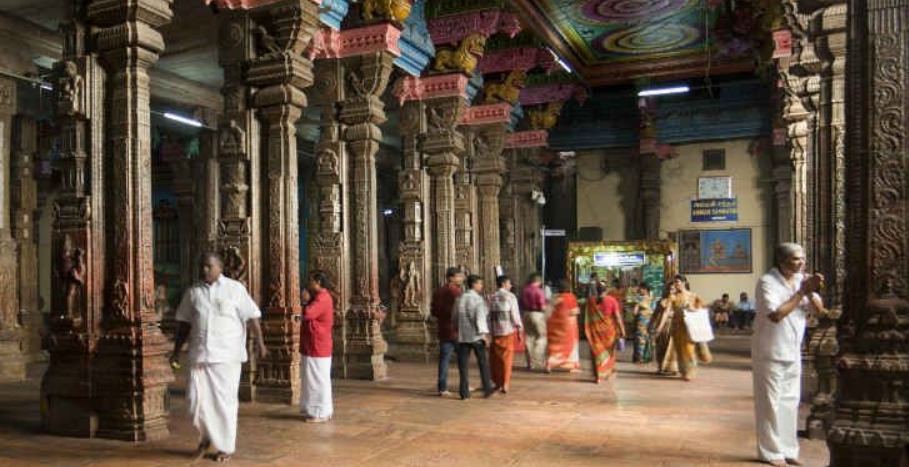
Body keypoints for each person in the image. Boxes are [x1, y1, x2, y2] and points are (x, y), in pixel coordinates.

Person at [171, 252, 267, 464]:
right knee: (196, 402)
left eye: (208, 266)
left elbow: (252, 316)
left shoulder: (235, 289)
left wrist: (260, 343)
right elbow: (184, 324)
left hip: (227, 356)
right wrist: (176, 350)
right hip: (199, 355)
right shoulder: (193, 293)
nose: (203, 270)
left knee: (224, 403)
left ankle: (224, 446)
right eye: (201, 266)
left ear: (219, 268)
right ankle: (206, 438)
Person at [753, 243, 826, 467]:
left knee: (790, 402)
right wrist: (802, 292)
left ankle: (788, 448)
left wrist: (813, 291)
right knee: (770, 404)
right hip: (771, 350)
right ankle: (770, 451)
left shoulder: (799, 281)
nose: (801, 263)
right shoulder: (767, 282)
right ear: (781, 260)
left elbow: (820, 312)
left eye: (803, 258)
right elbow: (776, 314)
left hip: (793, 350)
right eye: (795, 259)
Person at [299, 270, 334, 423]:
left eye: (311, 280)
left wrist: (305, 301)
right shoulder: (321, 297)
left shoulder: (322, 298)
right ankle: (316, 409)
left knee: (317, 379)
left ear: (318, 282)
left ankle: (320, 412)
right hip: (315, 344)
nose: (309, 283)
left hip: (317, 344)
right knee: (314, 378)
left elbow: (308, 314)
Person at [452, 275, 494, 399]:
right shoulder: (477, 299)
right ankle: (487, 388)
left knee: (463, 366)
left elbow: (454, 317)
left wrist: (457, 329)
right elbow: (479, 318)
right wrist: (484, 335)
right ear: (474, 284)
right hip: (476, 336)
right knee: (483, 363)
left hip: (463, 336)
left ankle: (464, 392)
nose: (481, 286)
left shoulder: (459, 298)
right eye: (480, 284)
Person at [667, 275, 712, 381]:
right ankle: (684, 371)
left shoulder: (693, 296)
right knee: (680, 350)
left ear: (684, 282)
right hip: (677, 327)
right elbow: (668, 310)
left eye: (677, 282)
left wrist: (691, 308)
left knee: (688, 348)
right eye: (674, 282)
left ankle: (691, 371)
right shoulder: (673, 296)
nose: (675, 284)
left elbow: (701, 309)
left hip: (689, 327)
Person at [430, 267, 464, 397]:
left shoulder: (438, 291)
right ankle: (463, 385)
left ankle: (442, 388)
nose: (460, 279)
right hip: (455, 330)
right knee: (462, 358)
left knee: (444, 359)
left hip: (443, 328)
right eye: (458, 276)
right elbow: (459, 312)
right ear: (451, 278)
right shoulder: (455, 292)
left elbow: (434, 311)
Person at [489, 275, 522, 394]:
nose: (511, 285)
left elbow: (488, 315)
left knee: (495, 359)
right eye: (509, 283)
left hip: (494, 331)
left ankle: (497, 382)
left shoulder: (491, 296)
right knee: (506, 358)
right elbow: (515, 314)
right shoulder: (510, 296)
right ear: (503, 284)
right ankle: (505, 383)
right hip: (506, 330)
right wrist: (519, 328)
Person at [585, 284, 625, 382]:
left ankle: (598, 375)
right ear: (606, 290)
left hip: (595, 331)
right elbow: (618, 317)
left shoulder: (590, 301)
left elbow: (587, 316)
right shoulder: (612, 300)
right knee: (609, 353)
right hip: (609, 332)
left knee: (597, 352)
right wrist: (622, 330)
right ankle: (605, 373)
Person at [545, 280, 580, 372]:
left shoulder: (554, 297)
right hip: (568, 326)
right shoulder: (571, 297)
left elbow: (548, 310)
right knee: (570, 345)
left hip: (555, 326)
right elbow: (574, 311)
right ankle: (571, 366)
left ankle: (549, 364)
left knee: (554, 345)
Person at [520, 273, 548, 371]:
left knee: (528, 338)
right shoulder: (539, 291)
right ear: (539, 281)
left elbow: (521, 303)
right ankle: (538, 358)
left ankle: (530, 363)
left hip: (526, 314)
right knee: (542, 336)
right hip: (537, 314)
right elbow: (542, 306)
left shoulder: (524, 290)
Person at [650, 282, 678, 375]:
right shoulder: (662, 301)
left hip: (672, 325)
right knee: (661, 346)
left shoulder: (677, 300)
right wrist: (650, 324)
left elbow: (667, 313)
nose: (670, 291)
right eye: (669, 289)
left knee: (671, 347)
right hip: (662, 325)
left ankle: (672, 368)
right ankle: (661, 366)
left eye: (673, 289)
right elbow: (655, 314)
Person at [632, 283, 654, 364]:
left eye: (640, 289)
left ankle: (640, 358)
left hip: (642, 321)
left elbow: (634, 312)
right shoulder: (652, 299)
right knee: (646, 339)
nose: (639, 290)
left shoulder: (639, 299)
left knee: (641, 339)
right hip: (650, 321)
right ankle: (646, 357)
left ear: (645, 289)